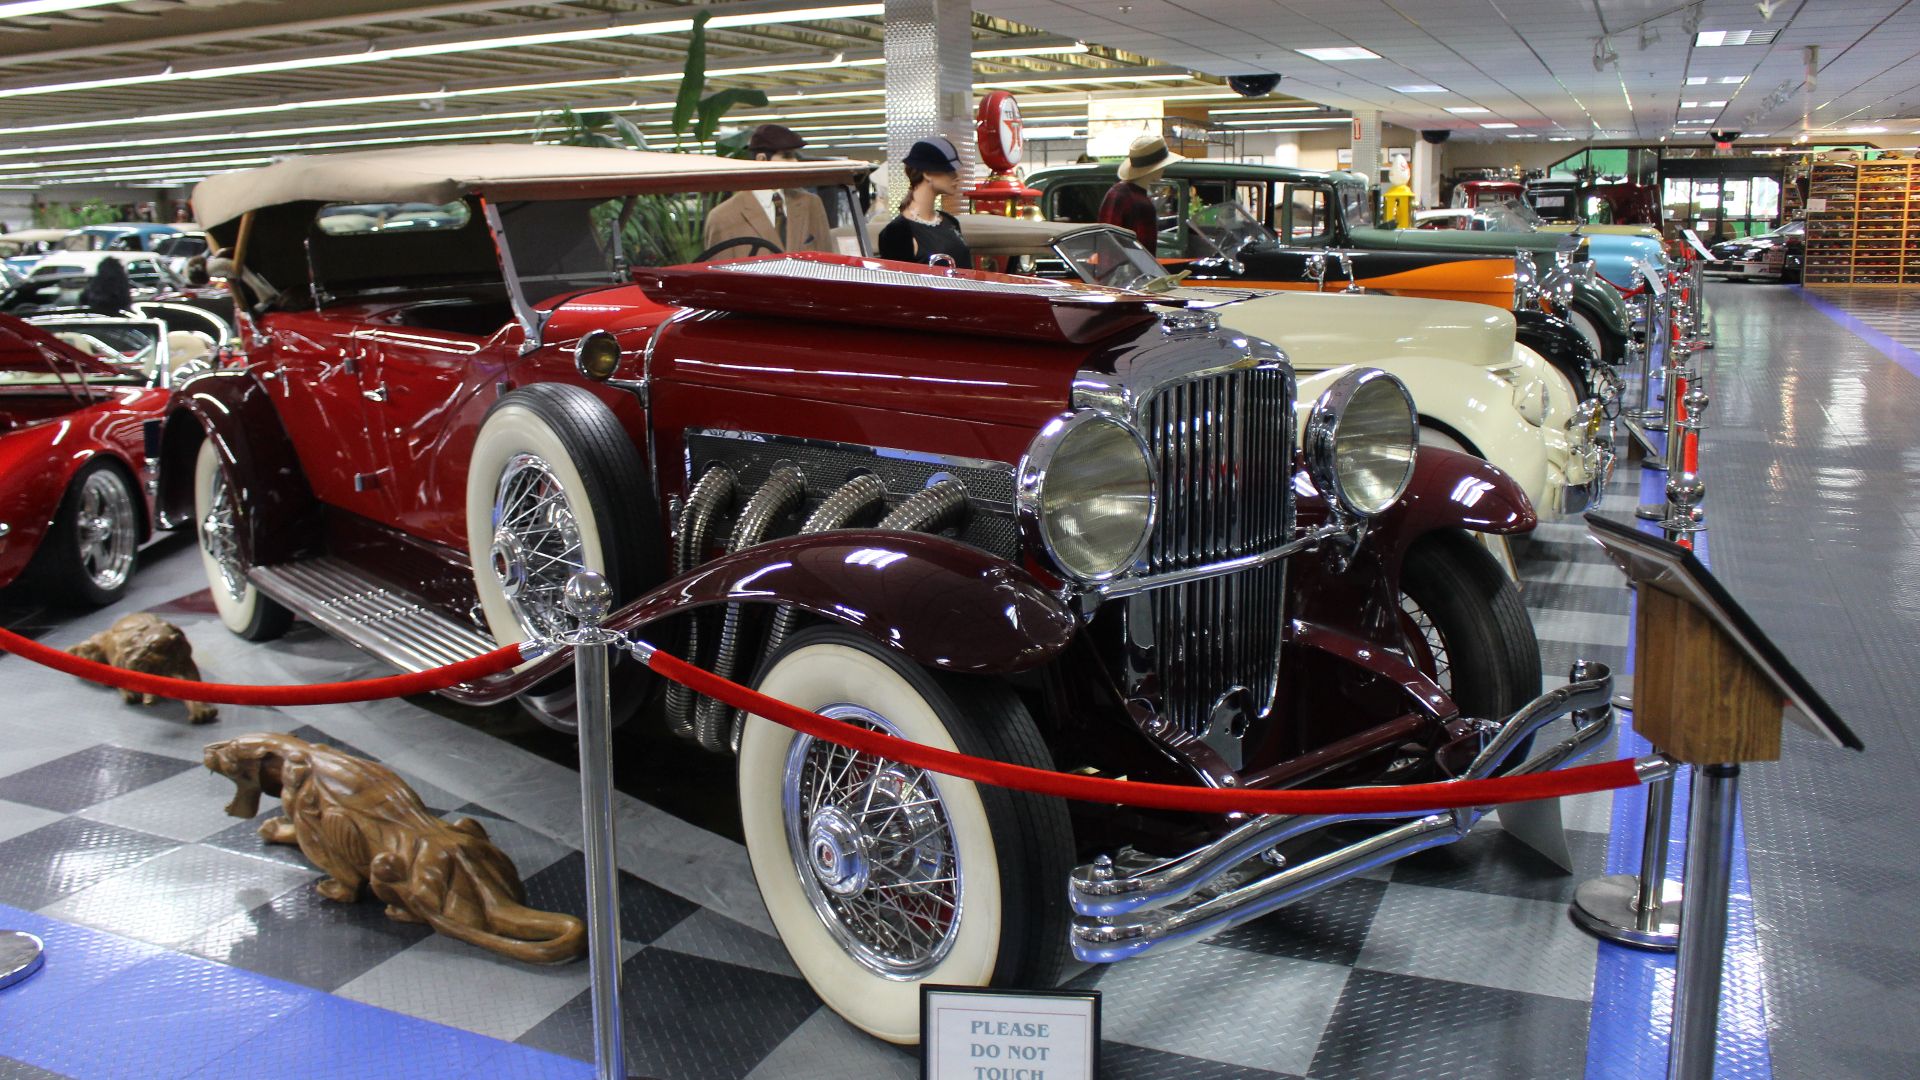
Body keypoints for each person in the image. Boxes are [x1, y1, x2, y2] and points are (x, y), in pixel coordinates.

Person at [701, 124, 833, 258]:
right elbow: (719, 277)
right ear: (762, 160)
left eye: (795, 156)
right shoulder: (723, 217)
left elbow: (828, 262)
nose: (795, 162)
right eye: (787, 156)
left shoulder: (810, 204)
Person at [877, 136, 971, 268]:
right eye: (949, 170)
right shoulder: (897, 232)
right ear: (927, 173)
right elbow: (899, 285)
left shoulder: (951, 222)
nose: (957, 177)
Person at [1100, 134, 1184, 251]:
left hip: (1107, 268)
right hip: (1132, 268)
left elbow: (1105, 242)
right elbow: (1145, 254)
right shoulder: (1142, 204)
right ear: (1157, 168)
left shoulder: (1115, 192)